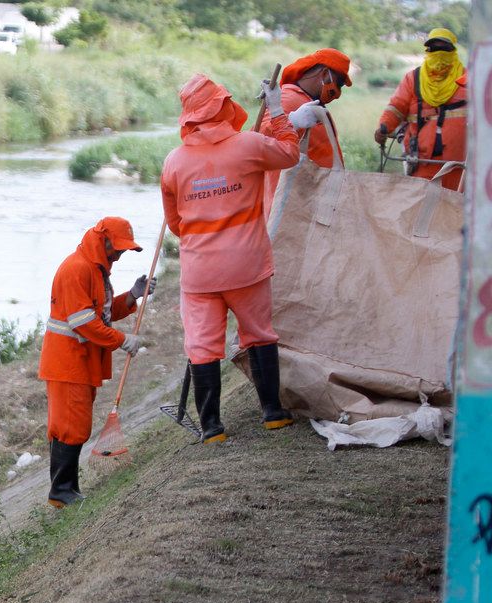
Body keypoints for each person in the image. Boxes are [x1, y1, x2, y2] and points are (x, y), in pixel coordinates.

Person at [160, 74, 304, 443]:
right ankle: (272, 413)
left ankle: (211, 428)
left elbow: (175, 224)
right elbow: (290, 153)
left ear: (189, 117)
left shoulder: (174, 162)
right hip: (247, 266)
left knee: (202, 345)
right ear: (224, 107)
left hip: (199, 273)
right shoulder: (250, 146)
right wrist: (276, 109)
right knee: (258, 334)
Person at [37, 216, 154, 508]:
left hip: (78, 361)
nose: (122, 253)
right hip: (68, 362)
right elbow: (83, 322)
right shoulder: (78, 268)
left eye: (126, 249)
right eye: (119, 247)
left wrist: (132, 296)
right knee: (70, 426)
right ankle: (61, 492)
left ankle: (66, 490)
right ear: (104, 240)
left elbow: (101, 313)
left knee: (72, 424)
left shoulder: (94, 268)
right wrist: (121, 340)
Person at [261, 48, 353, 215]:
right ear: (324, 74)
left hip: (309, 201)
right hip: (290, 206)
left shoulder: (308, 101)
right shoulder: (289, 99)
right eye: (338, 84)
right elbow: (259, 141)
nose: (338, 94)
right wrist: (292, 122)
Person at [375, 28, 468, 191]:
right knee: (422, 202)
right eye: (434, 49)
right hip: (422, 161)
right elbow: (396, 107)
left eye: (444, 49)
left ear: (453, 51)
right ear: (427, 51)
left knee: (455, 203)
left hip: (459, 164)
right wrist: (384, 127)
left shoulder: (468, 79)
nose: (439, 53)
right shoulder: (413, 79)